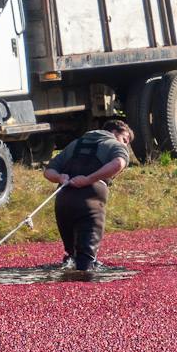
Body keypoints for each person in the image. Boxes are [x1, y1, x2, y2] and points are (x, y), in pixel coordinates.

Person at [43, 116, 135, 273]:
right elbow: (118, 163)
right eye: (125, 139)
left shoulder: (74, 144)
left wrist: (60, 177)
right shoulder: (114, 145)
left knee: (71, 256)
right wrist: (89, 179)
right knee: (86, 262)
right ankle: (79, 289)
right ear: (113, 132)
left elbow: (48, 171)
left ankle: (65, 284)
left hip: (63, 202)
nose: (125, 145)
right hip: (90, 202)